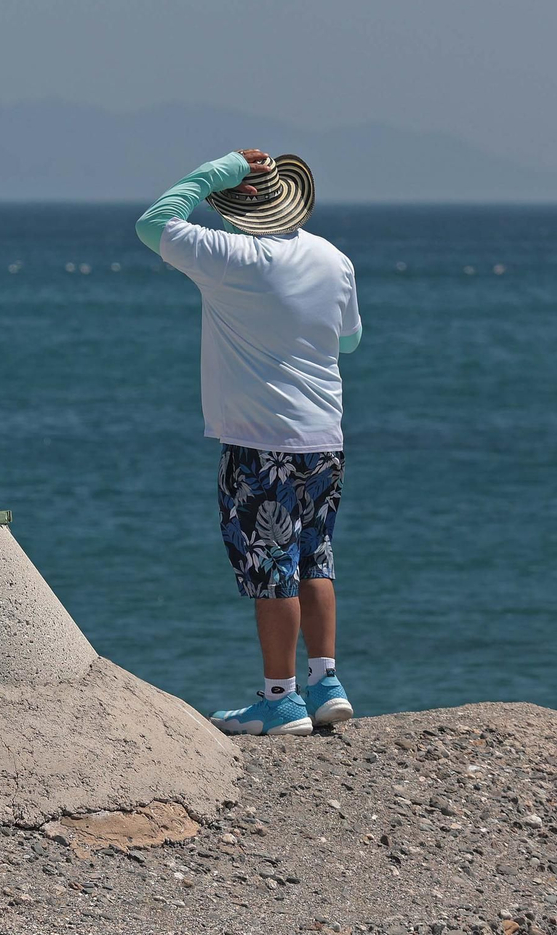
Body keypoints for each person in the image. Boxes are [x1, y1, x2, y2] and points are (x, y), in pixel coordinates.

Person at [135, 150, 362, 736]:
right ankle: (327, 682)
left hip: (260, 440)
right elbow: (352, 339)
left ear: (243, 206)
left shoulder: (231, 256)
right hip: (324, 438)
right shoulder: (335, 260)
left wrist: (223, 168)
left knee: (270, 567)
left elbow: (153, 222)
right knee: (316, 555)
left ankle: (279, 699)